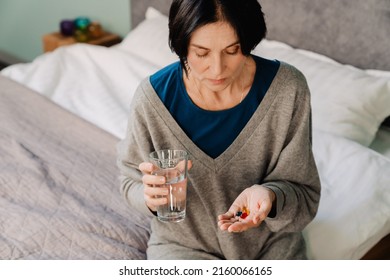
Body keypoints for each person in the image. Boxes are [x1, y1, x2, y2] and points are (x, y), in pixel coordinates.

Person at [117, 0, 321, 260]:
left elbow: (305, 196)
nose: (217, 69)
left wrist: (270, 195)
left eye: (233, 50)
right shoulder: (153, 99)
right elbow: (129, 181)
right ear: (182, 46)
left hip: (272, 247)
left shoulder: (287, 89)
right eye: (201, 53)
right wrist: (149, 198)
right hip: (183, 249)